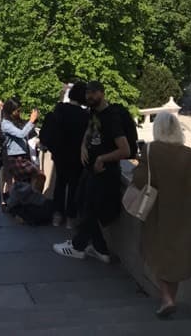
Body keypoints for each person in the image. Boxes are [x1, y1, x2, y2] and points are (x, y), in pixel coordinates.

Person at [53, 80, 130, 264]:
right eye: (88, 93)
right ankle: (100, 249)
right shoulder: (94, 113)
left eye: (93, 93)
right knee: (82, 203)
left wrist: (102, 158)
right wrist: (83, 147)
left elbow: (125, 150)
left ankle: (78, 247)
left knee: (90, 210)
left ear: (102, 93)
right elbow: (90, 130)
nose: (89, 96)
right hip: (90, 171)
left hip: (105, 172)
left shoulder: (111, 118)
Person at [131, 111, 191, 318]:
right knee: (176, 257)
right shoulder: (189, 154)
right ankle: (170, 299)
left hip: (157, 210)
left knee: (155, 252)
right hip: (184, 211)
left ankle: (166, 299)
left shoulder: (151, 150)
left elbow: (140, 179)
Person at [39, 81, 89, 228]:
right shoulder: (84, 116)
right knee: (74, 186)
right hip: (75, 156)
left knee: (60, 184)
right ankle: (70, 218)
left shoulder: (59, 109)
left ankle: (57, 214)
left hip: (60, 154)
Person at [0, 99, 45, 192]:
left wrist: (33, 121)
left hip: (22, 156)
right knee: (39, 175)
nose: (19, 113)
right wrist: (31, 121)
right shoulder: (6, 124)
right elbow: (21, 134)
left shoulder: (14, 121)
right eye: (17, 111)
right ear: (10, 111)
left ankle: (24, 200)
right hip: (14, 158)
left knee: (23, 184)